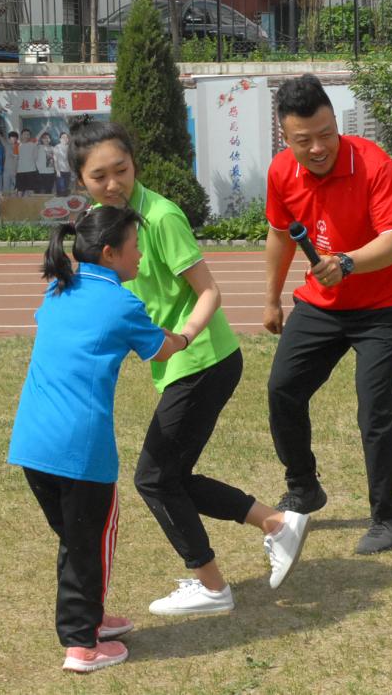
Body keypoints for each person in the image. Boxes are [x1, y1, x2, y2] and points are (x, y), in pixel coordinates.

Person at [68, 116, 309, 615]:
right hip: (181, 364)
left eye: (121, 170)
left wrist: (182, 339)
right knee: (170, 476)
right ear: (81, 181)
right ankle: (277, 524)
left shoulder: (160, 218)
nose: (113, 184)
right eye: (99, 176)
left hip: (204, 360)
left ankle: (212, 586)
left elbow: (209, 292)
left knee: (155, 478)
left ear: (135, 165)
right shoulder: (100, 220)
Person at [8, 206, 187, 672]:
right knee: (89, 542)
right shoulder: (122, 303)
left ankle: (90, 618)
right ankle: (82, 646)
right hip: (79, 449)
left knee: (76, 537)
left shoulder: (58, 288)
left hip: (32, 442)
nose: (141, 255)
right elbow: (161, 349)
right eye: (135, 247)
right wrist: (187, 336)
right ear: (110, 253)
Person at [263, 74, 392, 554]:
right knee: (283, 389)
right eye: (303, 140)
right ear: (285, 137)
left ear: (336, 123)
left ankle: (388, 518)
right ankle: (304, 486)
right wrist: (271, 298)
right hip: (322, 303)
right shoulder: (281, 172)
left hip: (384, 304)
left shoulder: (374, 164)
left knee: (375, 408)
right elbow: (280, 234)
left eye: (326, 134)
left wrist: (346, 263)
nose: (317, 148)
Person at [54, 132, 72, 196]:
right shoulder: (57, 147)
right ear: (60, 139)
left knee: (66, 189)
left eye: (66, 137)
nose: (65, 138)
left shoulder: (69, 148)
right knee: (61, 190)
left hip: (68, 171)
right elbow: (55, 160)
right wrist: (57, 171)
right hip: (60, 171)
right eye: (63, 137)